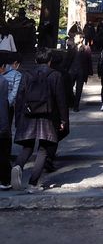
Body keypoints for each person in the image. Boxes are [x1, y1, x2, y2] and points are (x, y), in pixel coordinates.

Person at [11, 49, 67, 192]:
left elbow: (20, 97)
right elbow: (61, 100)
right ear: (50, 61)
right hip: (48, 116)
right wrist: (63, 120)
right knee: (43, 149)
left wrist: (17, 119)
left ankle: (18, 165)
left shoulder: (27, 75)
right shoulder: (55, 75)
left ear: (36, 61)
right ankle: (32, 184)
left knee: (27, 147)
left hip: (28, 115)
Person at [68, 35, 93, 111]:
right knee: (69, 88)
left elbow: (89, 61)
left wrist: (89, 72)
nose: (75, 39)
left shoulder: (86, 48)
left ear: (81, 39)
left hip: (81, 71)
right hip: (72, 70)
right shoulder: (72, 48)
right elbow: (67, 59)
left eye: (76, 37)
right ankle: (71, 102)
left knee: (79, 89)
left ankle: (76, 105)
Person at [0, 59, 11, 189]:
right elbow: (2, 106)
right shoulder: (3, 82)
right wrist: (4, 126)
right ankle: (4, 180)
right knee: (2, 153)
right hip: (1, 124)